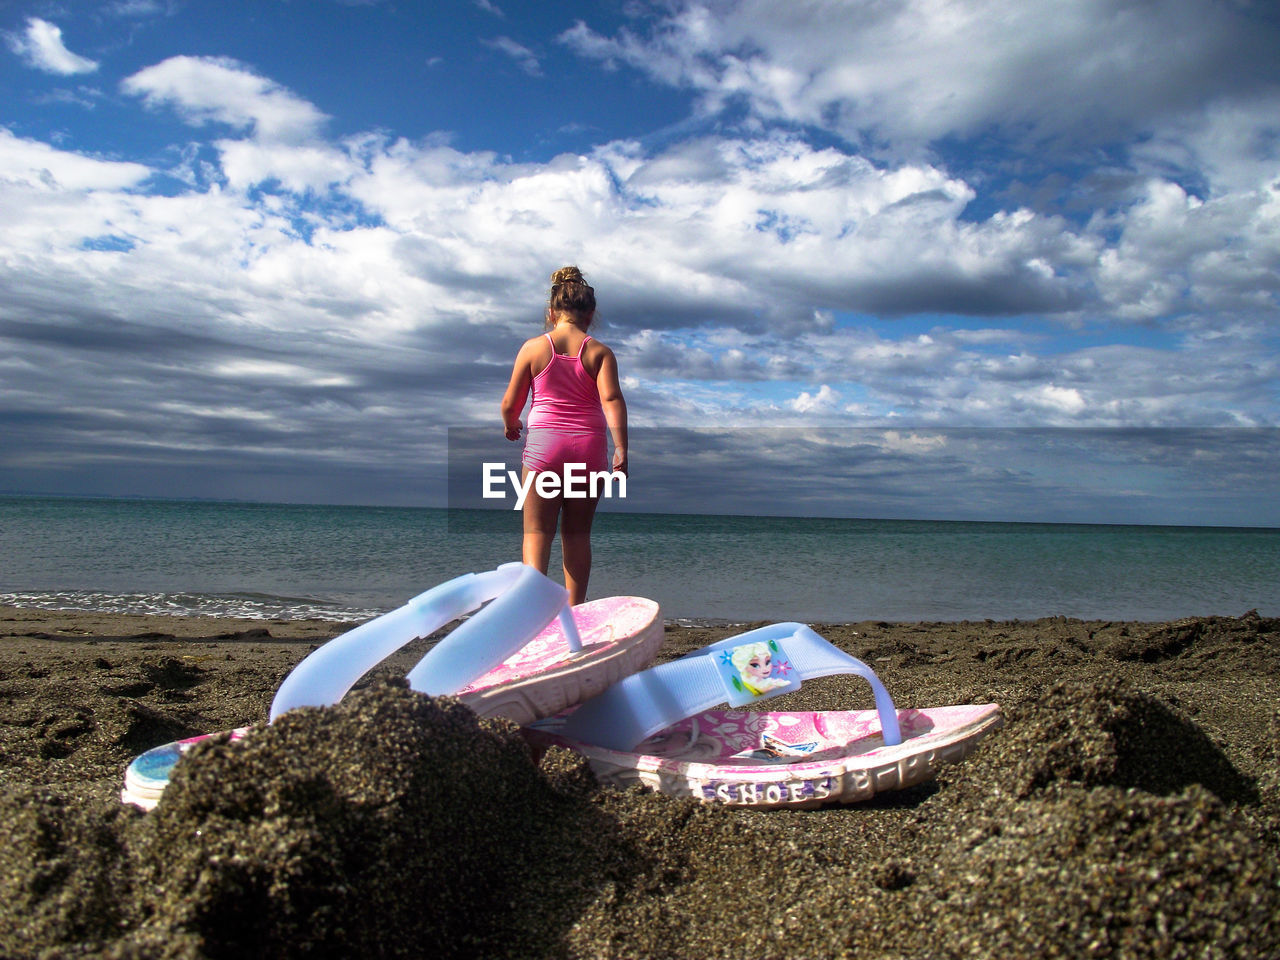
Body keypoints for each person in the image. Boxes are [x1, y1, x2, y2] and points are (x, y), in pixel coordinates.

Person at [501, 266, 627, 605]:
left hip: (545, 448)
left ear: (552, 312)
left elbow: (511, 402)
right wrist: (621, 449)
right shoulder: (600, 353)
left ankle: (532, 612)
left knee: (537, 533)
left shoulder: (533, 348)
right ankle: (574, 616)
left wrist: (512, 424)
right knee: (577, 536)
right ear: (590, 313)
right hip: (587, 449)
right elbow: (612, 400)